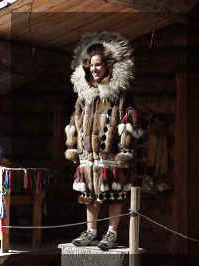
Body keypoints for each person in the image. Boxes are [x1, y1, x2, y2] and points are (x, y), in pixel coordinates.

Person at [64, 31, 143, 251]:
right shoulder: (84, 94)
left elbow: (130, 120)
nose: (94, 69)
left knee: (114, 193)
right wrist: (73, 147)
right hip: (87, 154)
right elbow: (74, 120)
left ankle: (111, 233)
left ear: (108, 65)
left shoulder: (119, 93)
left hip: (111, 154)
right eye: (90, 65)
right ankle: (91, 232)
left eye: (98, 65)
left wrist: (124, 149)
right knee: (89, 194)